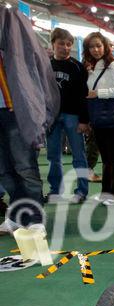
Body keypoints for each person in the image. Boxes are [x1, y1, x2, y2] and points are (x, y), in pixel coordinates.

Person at [0, 7, 60, 234]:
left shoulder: (11, 21)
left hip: (16, 110)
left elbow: (30, 67)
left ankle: (35, 218)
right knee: (4, 170)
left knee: (25, 167)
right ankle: (16, 215)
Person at [83, 32, 114, 205]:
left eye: (98, 45)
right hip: (98, 119)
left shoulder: (113, 66)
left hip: (112, 117)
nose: (95, 49)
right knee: (107, 158)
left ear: (105, 46)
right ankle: (107, 194)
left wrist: (98, 93)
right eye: (91, 46)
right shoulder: (91, 67)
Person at [47, 27, 90, 204]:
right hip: (52, 117)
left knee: (79, 155)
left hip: (73, 116)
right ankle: (55, 190)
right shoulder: (46, 65)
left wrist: (84, 120)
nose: (65, 47)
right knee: (53, 156)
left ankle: (82, 191)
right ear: (53, 44)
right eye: (61, 44)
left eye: (68, 44)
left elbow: (84, 95)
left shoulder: (77, 67)